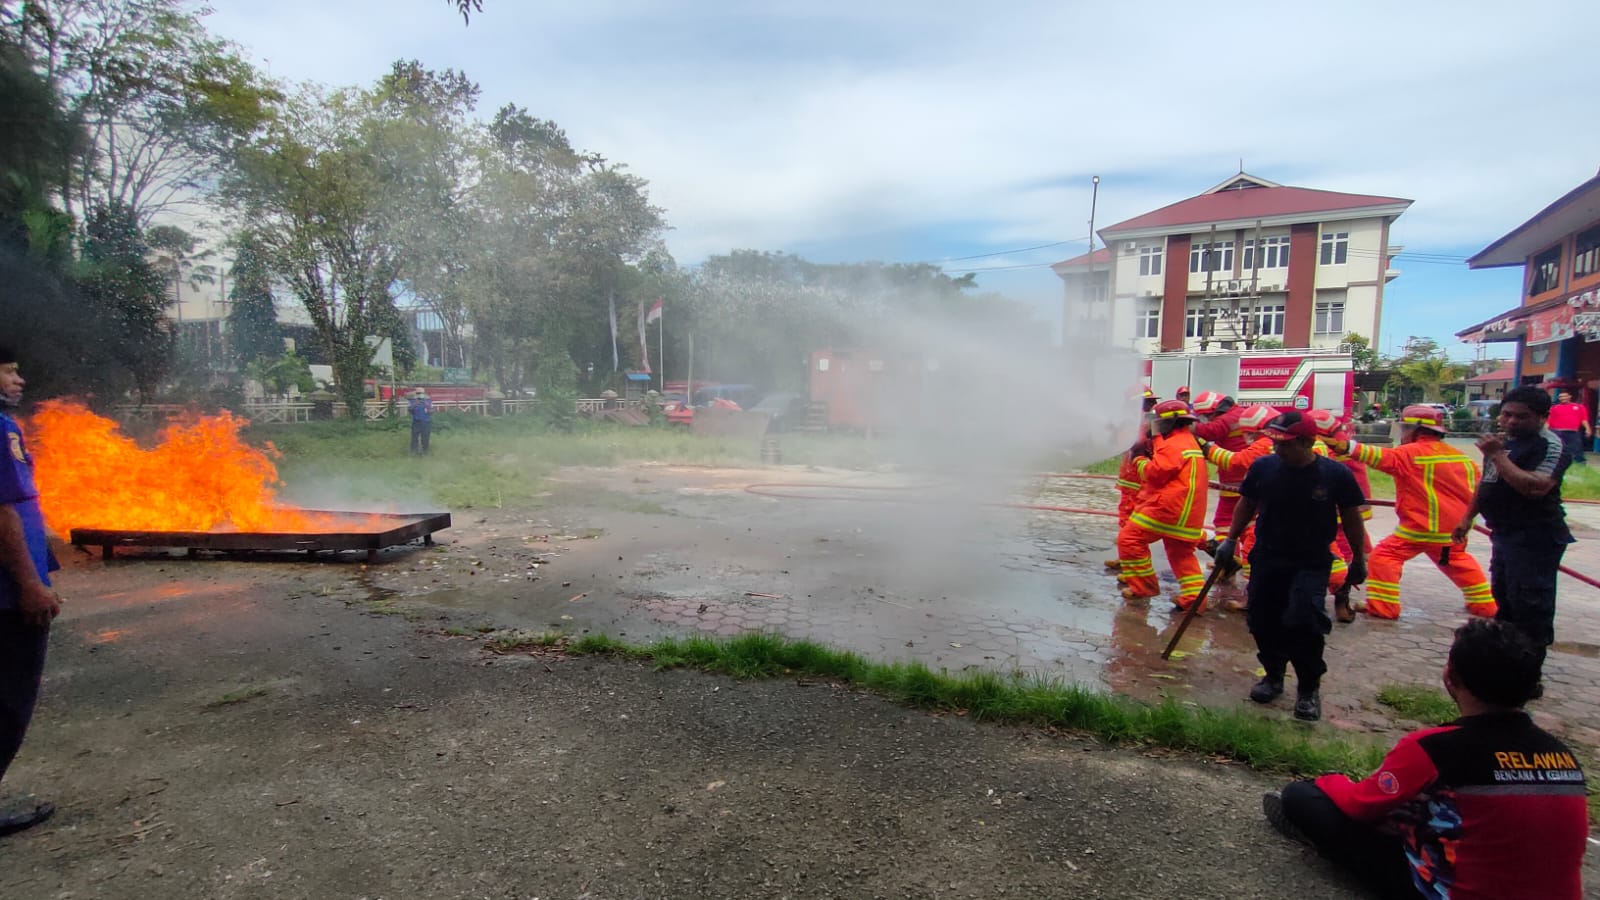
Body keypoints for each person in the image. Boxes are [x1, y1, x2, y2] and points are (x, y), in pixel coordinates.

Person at [1262, 618, 1588, 900]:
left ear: (1451, 678)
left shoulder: (1434, 748)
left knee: (1303, 798)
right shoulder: (1563, 756)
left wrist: (1328, 781)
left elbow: (1359, 804)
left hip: (1451, 891)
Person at [1214, 411, 1366, 720]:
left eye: (1285, 444)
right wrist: (1229, 540)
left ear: (1308, 442)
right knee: (1262, 619)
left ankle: (1309, 689)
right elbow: (1247, 503)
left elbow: (1352, 517)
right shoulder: (1263, 467)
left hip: (1310, 561)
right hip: (1268, 556)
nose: (1277, 449)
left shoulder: (1335, 475)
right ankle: (1273, 676)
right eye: (1274, 442)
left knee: (1304, 620)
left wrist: (1359, 559)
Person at [1327, 405, 1494, 620]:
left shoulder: (1409, 454)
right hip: (1454, 531)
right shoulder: (1462, 458)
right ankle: (1485, 605)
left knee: (1384, 557)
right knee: (1459, 562)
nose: (1402, 434)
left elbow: (1377, 456)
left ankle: (1383, 607)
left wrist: (1345, 446)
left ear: (1415, 429)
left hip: (1419, 529)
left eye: (1404, 428)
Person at [1452, 386, 1573, 682]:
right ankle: (1505, 668)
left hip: (1535, 537)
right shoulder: (1504, 443)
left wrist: (1497, 455)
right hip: (1504, 535)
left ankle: (1529, 677)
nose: (1511, 422)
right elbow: (1487, 483)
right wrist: (1467, 517)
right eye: (1506, 415)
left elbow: (1535, 487)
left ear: (1542, 418)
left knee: (1531, 608)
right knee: (1505, 602)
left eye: (1521, 417)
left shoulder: (1551, 446)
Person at [0, 345, 62, 836]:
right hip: (6, 595)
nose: (19, 380)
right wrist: (29, 584)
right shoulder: (1, 431)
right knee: (8, 699)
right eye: (9, 371)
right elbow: (2, 512)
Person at [1115, 400, 1208, 610]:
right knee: (1181, 553)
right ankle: (1195, 599)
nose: (1154, 427)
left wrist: (1139, 458)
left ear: (1168, 423)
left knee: (1129, 539)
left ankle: (1143, 587)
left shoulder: (1173, 445)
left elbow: (1154, 474)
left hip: (1168, 509)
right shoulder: (1187, 441)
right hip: (1189, 512)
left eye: (1157, 423)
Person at [1309, 410, 1374, 624]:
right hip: (1337, 510)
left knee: (1344, 557)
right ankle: (1337, 600)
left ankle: (1341, 601)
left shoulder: (1336, 448)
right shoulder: (1338, 443)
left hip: (1340, 513)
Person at [1546, 389, 1588, 464]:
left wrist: (1588, 429)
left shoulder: (1579, 407)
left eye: (1565, 396)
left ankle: (1580, 462)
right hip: (1557, 431)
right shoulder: (1554, 408)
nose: (1563, 398)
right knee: (1557, 447)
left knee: (1577, 447)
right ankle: (1556, 461)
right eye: (1561, 397)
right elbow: (1548, 420)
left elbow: (1584, 419)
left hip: (1573, 431)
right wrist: (1545, 430)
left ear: (1569, 397)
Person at [407, 388, 434, 455]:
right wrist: (415, 404)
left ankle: (425, 452)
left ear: (424, 393)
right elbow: (410, 410)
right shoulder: (412, 401)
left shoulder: (429, 401)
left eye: (421, 393)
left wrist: (426, 405)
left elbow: (431, 412)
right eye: (418, 393)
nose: (419, 395)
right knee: (414, 438)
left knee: (425, 438)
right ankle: (413, 452)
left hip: (426, 422)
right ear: (416, 394)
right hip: (416, 422)